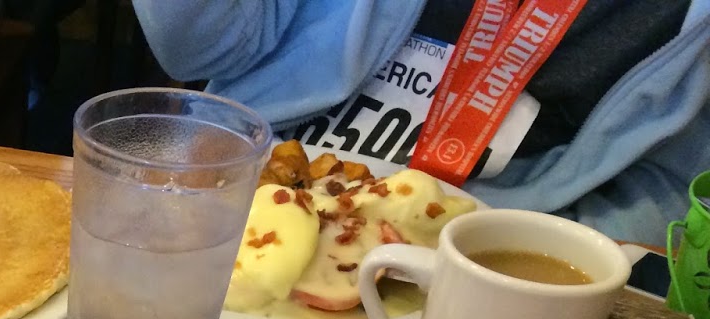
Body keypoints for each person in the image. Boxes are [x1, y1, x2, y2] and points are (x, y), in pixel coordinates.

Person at [129, 0, 710, 243]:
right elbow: (198, 49)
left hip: (486, 261)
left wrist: (511, 254)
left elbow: (677, 192)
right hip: (237, 198)